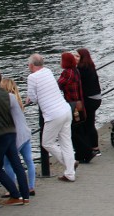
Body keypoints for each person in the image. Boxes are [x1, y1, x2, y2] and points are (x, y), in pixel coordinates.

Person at [0, 71, 30, 204]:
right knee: (17, 164)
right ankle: (25, 196)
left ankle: (15, 194)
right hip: (11, 131)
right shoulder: (7, 94)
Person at [26, 54, 76, 182]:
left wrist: (30, 99)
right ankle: (70, 172)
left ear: (31, 65)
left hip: (53, 114)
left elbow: (33, 97)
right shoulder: (47, 71)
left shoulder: (32, 77)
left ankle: (68, 164)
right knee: (66, 141)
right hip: (65, 109)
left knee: (47, 143)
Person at [0, 78, 35, 198]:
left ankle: (12, 187)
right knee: (29, 160)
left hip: (17, 136)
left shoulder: (8, 98)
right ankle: (31, 187)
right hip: (26, 133)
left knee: (7, 162)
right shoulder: (17, 99)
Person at [57, 52, 93, 164]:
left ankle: (84, 153)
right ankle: (84, 153)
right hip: (79, 103)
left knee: (74, 131)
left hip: (72, 104)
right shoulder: (75, 70)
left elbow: (58, 85)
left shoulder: (66, 73)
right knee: (80, 129)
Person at [76, 49, 102, 159]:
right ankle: (94, 147)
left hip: (89, 99)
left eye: (77, 56)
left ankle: (93, 148)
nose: (75, 58)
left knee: (88, 123)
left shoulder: (81, 69)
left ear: (82, 57)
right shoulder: (90, 66)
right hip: (96, 97)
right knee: (90, 122)